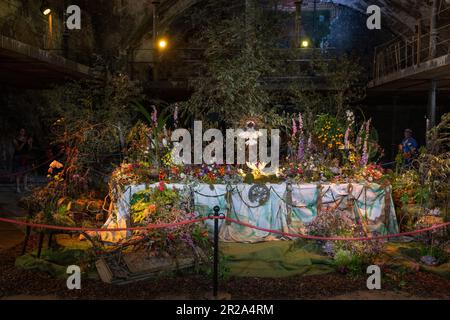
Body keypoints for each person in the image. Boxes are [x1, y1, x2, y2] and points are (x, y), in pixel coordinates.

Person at [13, 128, 33, 193]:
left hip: (26, 157)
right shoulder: (15, 139)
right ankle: (18, 188)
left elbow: (29, 149)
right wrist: (23, 143)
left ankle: (25, 187)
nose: (22, 132)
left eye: (24, 131)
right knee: (18, 173)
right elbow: (18, 149)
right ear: (19, 132)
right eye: (21, 131)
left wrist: (30, 143)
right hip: (18, 157)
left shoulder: (26, 138)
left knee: (26, 173)